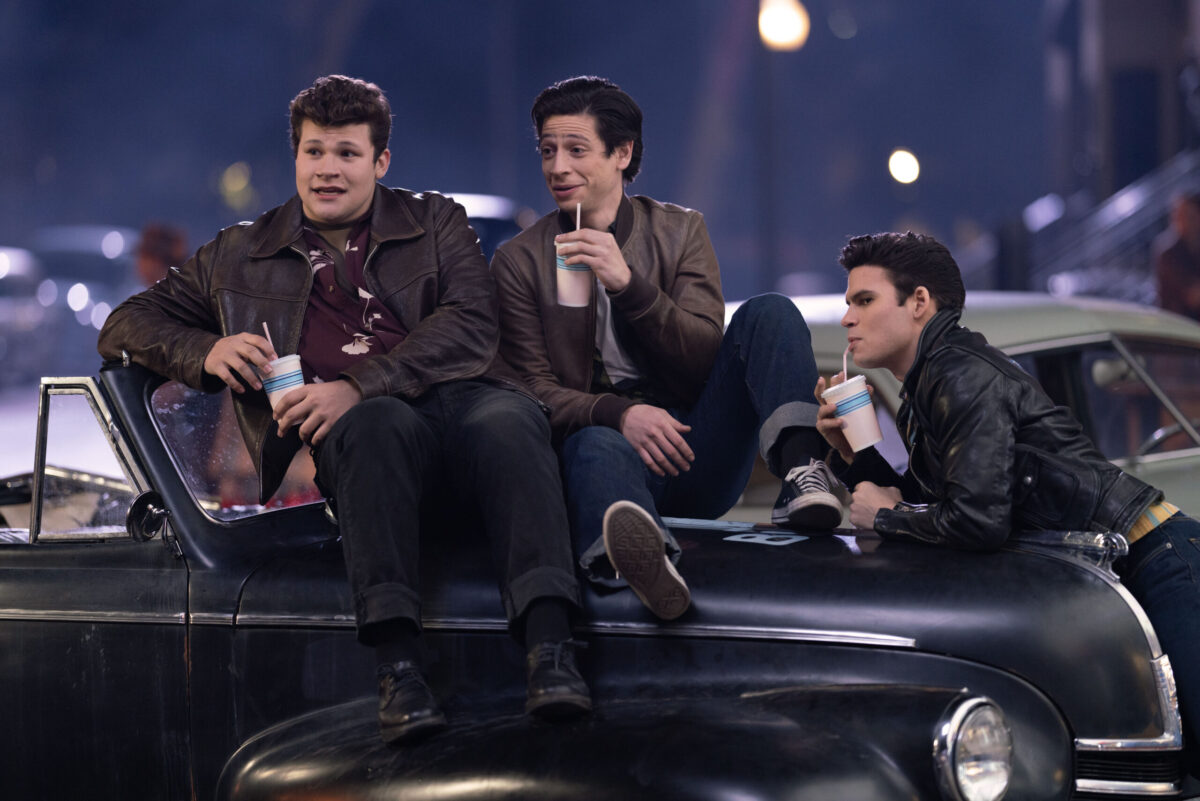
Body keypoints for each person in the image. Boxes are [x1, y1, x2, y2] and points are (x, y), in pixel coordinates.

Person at [98, 75, 590, 745]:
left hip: (460, 402)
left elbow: (473, 322)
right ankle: (398, 670)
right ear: (296, 157)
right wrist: (205, 349)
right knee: (374, 425)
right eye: (315, 151)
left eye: (347, 153)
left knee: (509, 418)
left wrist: (359, 383)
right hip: (368, 440)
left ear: (380, 161)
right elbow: (125, 324)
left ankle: (551, 650)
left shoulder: (435, 220)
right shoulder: (239, 253)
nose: (328, 168)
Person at [817, 230, 1200, 753]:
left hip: (1158, 559)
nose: (847, 319)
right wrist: (852, 456)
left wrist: (886, 517)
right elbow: (937, 505)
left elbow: (977, 520)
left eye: (864, 300)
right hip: (1117, 571)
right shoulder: (931, 383)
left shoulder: (960, 374)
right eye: (848, 304)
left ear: (919, 302)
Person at [493, 76, 841, 621]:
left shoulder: (680, 231)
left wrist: (627, 285)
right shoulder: (520, 260)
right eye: (547, 150)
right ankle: (647, 563)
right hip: (605, 459)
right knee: (594, 443)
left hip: (693, 445)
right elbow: (530, 389)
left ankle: (804, 474)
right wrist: (619, 413)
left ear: (622, 153)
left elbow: (703, 360)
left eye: (576, 150)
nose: (557, 167)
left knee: (770, 311)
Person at [1154, 192, 1200, 322]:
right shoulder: (1169, 253)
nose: (1182, 220)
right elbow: (1193, 296)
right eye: (1178, 215)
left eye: (1189, 216)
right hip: (1178, 324)